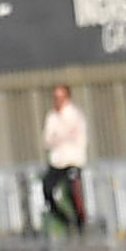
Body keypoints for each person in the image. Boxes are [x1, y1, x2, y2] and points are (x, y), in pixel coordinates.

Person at [36, 85, 90, 239]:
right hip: (57, 161)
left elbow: (77, 138)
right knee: (47, 189)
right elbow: (47, 140)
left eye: (61, 97)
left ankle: (80, 223)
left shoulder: (75, 115)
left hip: (73, 160)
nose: (58, 100)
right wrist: (62, 137)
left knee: (72, 191)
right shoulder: (51, 116)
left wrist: (59, 137)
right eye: (55, 97)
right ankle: (65, 220)